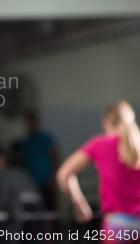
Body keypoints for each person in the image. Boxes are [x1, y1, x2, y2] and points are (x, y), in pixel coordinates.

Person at [57, 100, 140, 242]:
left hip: (116, 225)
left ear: (106, 122)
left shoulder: (100, 144)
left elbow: (64, 174)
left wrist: (79, 204)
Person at [20, 112, 59, 211]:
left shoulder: (46, 139)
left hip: (47, 182)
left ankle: (51, 227)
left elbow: (55, 157)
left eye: (32, 122)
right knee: (35, 212)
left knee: (49, 210)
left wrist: (53, 178)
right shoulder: (26, 142)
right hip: (31, 184)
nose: (31, 125)